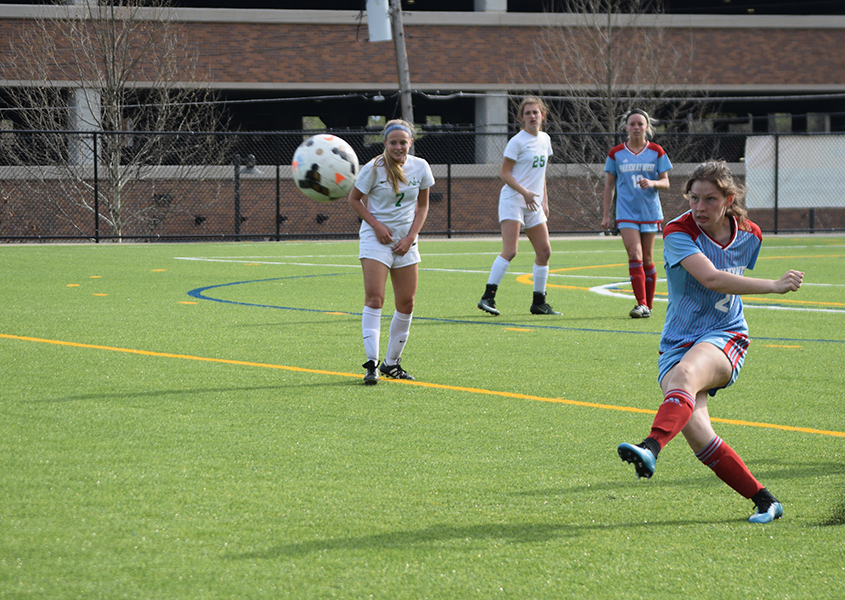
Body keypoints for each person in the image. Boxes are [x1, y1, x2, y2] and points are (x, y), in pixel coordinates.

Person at [617, 160, 804, 524]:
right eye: (694, 198)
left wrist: (772, 287)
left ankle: (650, 446)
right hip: (675, 341)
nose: (699, 207)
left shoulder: (751, 234)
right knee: (699, 433)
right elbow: (714, 278)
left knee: (686, 375)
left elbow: (727, 282)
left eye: (710, 199)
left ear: (728, 199)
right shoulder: (677, 231)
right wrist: (774, 285)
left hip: (726, 335)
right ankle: (766, 500)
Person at [347, 119, 434, 385]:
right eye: (393, 142)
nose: (398, 146)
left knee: (406, 303)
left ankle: (391, 364)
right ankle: (371, 364)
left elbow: (422, 206)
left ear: (410, 143)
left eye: (402, 142)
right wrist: (376, 225)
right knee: (375, 299)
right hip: (376, 239)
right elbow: (354, 199)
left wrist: (410, 237)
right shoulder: (373, 168)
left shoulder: (421, 167)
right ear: (384, 143)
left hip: (406, 242)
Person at [477, 96, 559, 317]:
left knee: (544, 251)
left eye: (536, 112)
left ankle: (539, 302)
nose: (533, 116)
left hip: (533, 203)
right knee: (511, 250)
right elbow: (504, 173)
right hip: (514, 199)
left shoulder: (545, 139)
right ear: (522, 118)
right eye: (528, 113)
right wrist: (525, 192)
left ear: (543, 115)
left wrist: (544, 201)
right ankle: (488, 297)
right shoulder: (517, 141)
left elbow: (541, 174)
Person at [602, 108, 673, 319]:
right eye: (632, 124)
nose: (636, 127)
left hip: (650, 211)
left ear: (647, 128)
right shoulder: (616, 153)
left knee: (649, 259)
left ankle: (647, 307)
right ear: (626, 128)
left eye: (640, 124)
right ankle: (641, 303)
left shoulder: (657, 151)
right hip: (626, 212)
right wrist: (606, 214)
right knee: (635, 254)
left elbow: (666, 182)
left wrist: (653, 182)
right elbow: (609, 186)